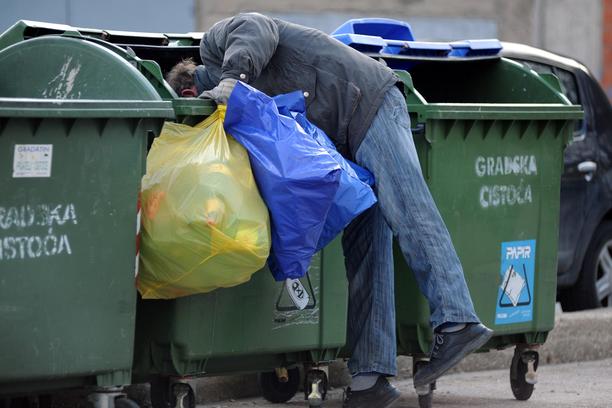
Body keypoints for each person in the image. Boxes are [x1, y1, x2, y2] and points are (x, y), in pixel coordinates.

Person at [166, 13, 493, 408]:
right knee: (366, 253)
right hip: (342, 141)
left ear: (188, 91)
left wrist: (231, 80)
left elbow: (256, 26)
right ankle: (370, 380)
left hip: (367, 103)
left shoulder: (214, 48)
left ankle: (456, 319)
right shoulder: (237, 109)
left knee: (410, 211)